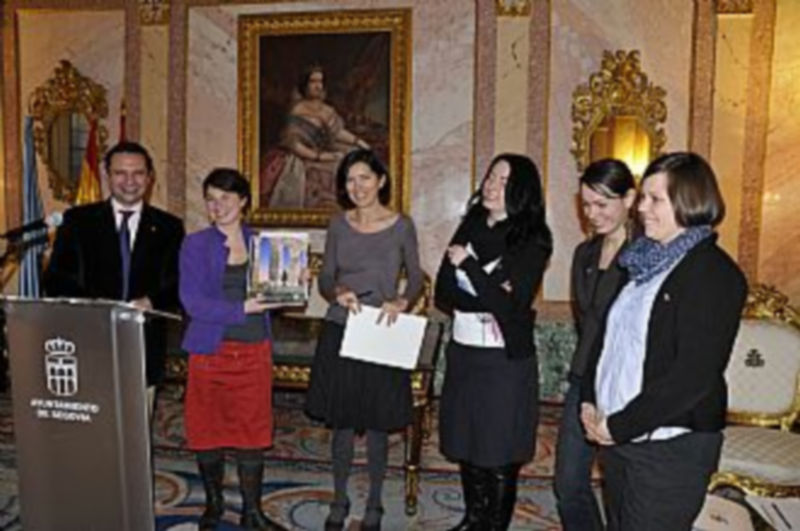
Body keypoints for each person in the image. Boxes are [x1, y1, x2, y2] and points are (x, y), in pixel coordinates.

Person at [580, 152, 748, 530]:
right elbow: (609, 338)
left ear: (690, 201)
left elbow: (694, 375)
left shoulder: (713, 274)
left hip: (669, 448)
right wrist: (592, 397)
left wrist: (619, 425)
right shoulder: (643, 262)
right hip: (620, 436)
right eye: (643, 197)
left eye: (655, 199)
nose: (641, 208)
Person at [305, 149, 422, 531]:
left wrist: (403, 300)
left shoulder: (402, 225)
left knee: (376, 423)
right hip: (341, 328)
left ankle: (374, 502)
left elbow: (417, 277)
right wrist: (337, 290)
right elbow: (325, 278)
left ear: (381, 180)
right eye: (350, 180)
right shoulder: (338, 224)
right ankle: (338, 499)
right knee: (341, 422)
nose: (357, 187)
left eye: (364, 178)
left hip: (380, 333)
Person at [435, 154, 553, 531]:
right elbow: (443, 291)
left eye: (503, 180)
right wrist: (488, 292)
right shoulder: (471, 224)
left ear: (521, 190)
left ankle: (494, 525)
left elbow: (511, 303)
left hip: (503, 360)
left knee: (498, 448)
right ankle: (473, 519)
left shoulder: (532, 237)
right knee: (467, 439)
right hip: (465, 350)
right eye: (490, 176)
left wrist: (468, 267)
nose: (491, 185)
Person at [179, 168, 292, 531]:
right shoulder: (195, 244)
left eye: (226, 198)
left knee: (252, 434)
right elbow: (192, 302)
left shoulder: (264, 244)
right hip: (209, 352)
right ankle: (213, 506)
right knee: (206, 430)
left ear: (243, 201)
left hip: (253, 350)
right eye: (211, 199)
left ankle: (252, 512)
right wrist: (241, 308)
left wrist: (290, 282)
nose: (218, 206)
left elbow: (277, 302)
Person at [44, 140, 185, 404]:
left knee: (135, 432)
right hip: (88, 341)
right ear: (107, 176)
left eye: (138, 173)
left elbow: (177, 282)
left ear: (150, 177)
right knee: (90, 429)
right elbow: (56, 279)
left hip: (142, 344)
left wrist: (150, 301)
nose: (129, 181)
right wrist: (98, 307)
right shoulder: (77, 221)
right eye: (120, 173)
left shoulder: (169, 227)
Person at [554, 159, 636, 530]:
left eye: (602, 204)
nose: (592, 214)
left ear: (630, 199)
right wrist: (585, 384)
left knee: (623, 488)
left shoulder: (647, 255)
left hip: (628, 384)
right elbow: (586, 322)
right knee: (568, 481)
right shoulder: (584, 254)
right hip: (585, 377)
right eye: (586, 205)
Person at [260, 64, 370, 209]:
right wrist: (324, 157)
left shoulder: (327, 109)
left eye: (321, 81)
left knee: (354, 155)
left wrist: (359, 142)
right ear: (305, 84)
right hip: (303, 157)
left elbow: (337, 132)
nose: (318, 86)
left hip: (323, 150)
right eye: (313, 81)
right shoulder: (297, 110)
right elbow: (295, 145)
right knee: (338, 166)